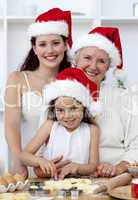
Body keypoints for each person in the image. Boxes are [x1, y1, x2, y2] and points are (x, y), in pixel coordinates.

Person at [4, 8, 72, 178]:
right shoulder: (17, 79)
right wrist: (18, 158)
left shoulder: (73, 82)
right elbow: (11, 124)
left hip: (65, 165)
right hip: (29, 164)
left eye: (56, 43)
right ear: (34, 48)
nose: (50, 50)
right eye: (42, 44)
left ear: (65, 45)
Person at [71, 27, 138, 177]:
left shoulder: (123, 97)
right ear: (75, 60)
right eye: (87, 58)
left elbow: (137, 144)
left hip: (114, 178)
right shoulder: (58, 94)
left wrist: (119, 168)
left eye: (101, 61)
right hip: (69, 178)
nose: (93, 66)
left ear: (108, 66)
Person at [20, 68, 100, 179]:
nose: (67, 116)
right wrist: (40, 161)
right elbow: (23, 155)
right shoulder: (50, 125)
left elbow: (93, 166)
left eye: (73, 108)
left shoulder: (92, 129)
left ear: (84, 107)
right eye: (60, 110)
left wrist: (77, 168)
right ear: (54, 109)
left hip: (80, 184)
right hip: (50, 182)